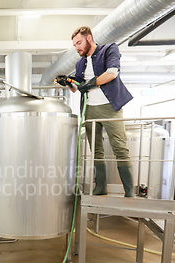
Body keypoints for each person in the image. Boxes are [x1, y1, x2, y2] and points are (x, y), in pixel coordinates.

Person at [56, 26, 134, 197]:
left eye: (79, 43)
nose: (76, 47)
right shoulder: (80, 63)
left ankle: (129, 192)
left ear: (89, 38)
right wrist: (68, 82)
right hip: (89, 109)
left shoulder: (109, 50)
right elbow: (77, 88)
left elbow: (112, 74)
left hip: (110, 107)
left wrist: (89, 84)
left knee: (120, 148)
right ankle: (100, 187)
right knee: (96, 150)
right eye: (75, 44)